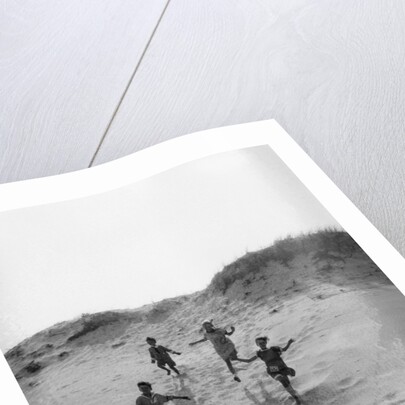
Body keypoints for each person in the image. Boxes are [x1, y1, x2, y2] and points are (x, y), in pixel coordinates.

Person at [245, 336, 302, 404]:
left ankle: (294, 394)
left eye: (263, 342)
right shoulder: (259, 353)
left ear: (266, 342)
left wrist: (289, 342)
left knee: (288, 383)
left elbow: (284, 349)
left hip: (282, 368)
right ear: (257, 345)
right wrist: (237, 359)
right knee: (282, 380)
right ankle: (297, 399)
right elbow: (249, 361)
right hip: (273, 371)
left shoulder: (273, 349)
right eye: (260, 343)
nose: (262, 344)